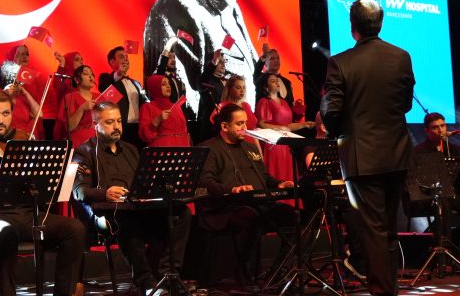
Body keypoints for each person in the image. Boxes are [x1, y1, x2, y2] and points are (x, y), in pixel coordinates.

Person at [320, 0, 415, 296]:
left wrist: (339, 130)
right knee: (388, 227)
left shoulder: (340, 62)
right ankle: (390, 288)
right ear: (380, 23)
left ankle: (383, 291)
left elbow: (331, 111)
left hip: (362, 157)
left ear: (353, 27)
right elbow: (406, 105)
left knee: (373, 230)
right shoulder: (401, 56)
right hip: (397, 153)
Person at [0, 90, 84, 296]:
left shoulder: (24, 140)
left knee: (74, 228)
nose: (0, 120)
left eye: (5, 114)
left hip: (26, 213)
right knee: (4, 232)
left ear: (12, 114)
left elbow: (40, 181)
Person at [73, 101, 192, 294]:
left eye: (119, 121)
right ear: (95, 125)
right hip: (108, 213)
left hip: (137, 208)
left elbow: (143, 182)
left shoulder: (130, 149)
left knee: (180, 213)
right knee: (126, 219)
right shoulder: (84, 152)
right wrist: (105, 193)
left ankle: (168, 275)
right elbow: (79, 191)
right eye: (109, 122)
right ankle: (146, 283)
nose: (116, 126)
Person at [197, 103, 294, 285]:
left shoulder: (250, 148)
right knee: (251, 217)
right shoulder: (209, 148)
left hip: (259, 204)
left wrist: (279, 184)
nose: (244, 127)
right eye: (239, 123)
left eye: (246, 123)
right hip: (226, 208)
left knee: (294, 216)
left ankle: (277, 272)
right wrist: (232, 190)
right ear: (224, 126)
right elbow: (206, 181)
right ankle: (245, 277)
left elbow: (264, 176)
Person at [410, 112, 460, 257]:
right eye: (435, 127)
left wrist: (453, 160)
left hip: (453, 193)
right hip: (430, 195)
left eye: (442, 126)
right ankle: (446, 252)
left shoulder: (453, 148)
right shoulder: (419, 151)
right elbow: (416, 178)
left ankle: (455, 237)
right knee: (444, 207)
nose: (440, 130)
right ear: (427, 130)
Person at [255, 72, 315, 181]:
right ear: (265, 87)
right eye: (272, 81)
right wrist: (280, 128)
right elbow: (261, 124)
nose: (277, 83)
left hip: (287, 144)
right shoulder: (264, 102)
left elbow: (288, 126)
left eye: (277, 80)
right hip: (273, 145)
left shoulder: (284, 102)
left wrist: (304, 124)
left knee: (289, 177)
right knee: (277, 175)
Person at [98, 46, 147, 149]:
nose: (125, 59)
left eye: (126, 57)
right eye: (121, 57)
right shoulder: (107, 78)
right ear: (112, 61)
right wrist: (118, 74)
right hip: (121, 127)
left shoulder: (136, 83)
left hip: (138, 128)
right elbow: (103, 87)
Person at [138, 74, 191, 147]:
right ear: (155, 87)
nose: (168, 86)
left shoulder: (176, 107)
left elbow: (184, 130)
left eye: (169, 83)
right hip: (162, 150)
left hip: (182, 149)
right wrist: (157, 120)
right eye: (163, 84)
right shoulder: (147, 107)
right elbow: (144, 136)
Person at [56, 65, 99, 146]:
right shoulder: (70, 97)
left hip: (99, 140)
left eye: (92, 74)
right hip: (79, 143)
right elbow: (69, 127)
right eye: (86, 74)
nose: (91, 76)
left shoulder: (100, 97)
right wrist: (82, 109)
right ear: (76, 80)